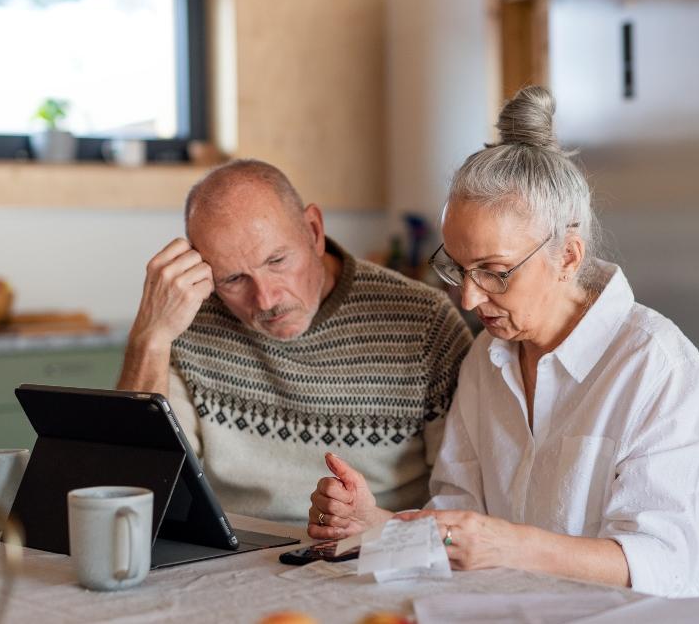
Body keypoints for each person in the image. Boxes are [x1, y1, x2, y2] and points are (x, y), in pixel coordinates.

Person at [307, 87, 699, 613]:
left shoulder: (653, 362)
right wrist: (376, 526)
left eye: (496, 273)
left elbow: (663, 563)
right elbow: (459, 525)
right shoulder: (487, 359)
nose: (471, 298)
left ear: (568, 256)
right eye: (457, 267)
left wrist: (508, 545)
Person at [117, 159, 472, 524]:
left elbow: (464, 504)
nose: (266, 300)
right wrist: (150, 337)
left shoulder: (425, 321)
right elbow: (136, 487)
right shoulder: (188, 319)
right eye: (234, 279)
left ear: (314, 231)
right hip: (232, 556)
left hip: (376, 554)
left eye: (277, 260)